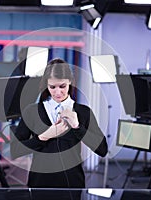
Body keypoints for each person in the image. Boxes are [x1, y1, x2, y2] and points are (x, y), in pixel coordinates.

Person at [10, 58, 108, 188]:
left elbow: (102, 150)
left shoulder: (83, 112)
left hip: (73, 184)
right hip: (39, 183)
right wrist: (44, 137)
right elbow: (15, 150)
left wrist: (78, 127)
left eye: (62, 86)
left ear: (70, 82)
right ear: (46, 85)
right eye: (52, 87)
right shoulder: (32, 111)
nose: (58, 92)